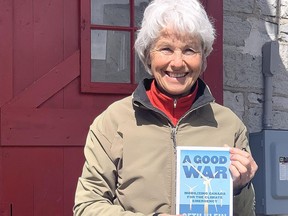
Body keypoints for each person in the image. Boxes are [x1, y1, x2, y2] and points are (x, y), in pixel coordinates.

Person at [73, 0, 258, 215]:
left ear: (203, 57)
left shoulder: (229, 125)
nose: (178, 62)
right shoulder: (113, 122)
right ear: (148, 55)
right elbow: (87, 206)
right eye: (166, 49)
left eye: (189, 50)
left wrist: (239, 188)